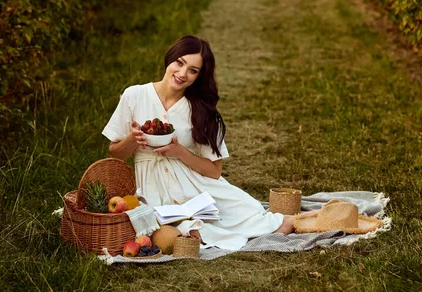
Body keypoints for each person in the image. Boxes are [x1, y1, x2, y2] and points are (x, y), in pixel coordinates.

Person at [102, 35, 295, 250]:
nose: (182, 74)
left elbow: (214, 171)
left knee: (253, 216)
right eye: (180, 63)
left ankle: (302, 221)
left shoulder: (199, 109)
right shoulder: (134, 95)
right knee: (189, 230)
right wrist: (132, 139)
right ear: (170, 59)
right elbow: (115, 154)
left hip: (194, 185)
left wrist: (179, 151)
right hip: (151, 188)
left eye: (193, 70)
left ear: (198, 76)